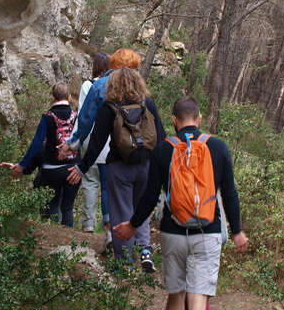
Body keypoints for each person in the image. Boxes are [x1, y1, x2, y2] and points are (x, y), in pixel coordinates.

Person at [114, 97, 248, 310]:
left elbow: (150, 197)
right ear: (199, 119)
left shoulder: (163, 150)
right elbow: (230, 194)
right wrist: (237, 231)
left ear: (174, 121)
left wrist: (132, 226)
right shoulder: (218, 147)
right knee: (198, 296)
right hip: (208, 231)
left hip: (173, 232)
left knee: (176, 294)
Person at [67, 68, 166, 270]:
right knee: (143, 209)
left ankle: (124, 262)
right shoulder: (148, 104)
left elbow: (96, 142)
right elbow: (161, 137)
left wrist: (82, 167)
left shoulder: (109, 107)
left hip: (119, 166)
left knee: (121, 213)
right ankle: (145, 250)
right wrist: (162, 169)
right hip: (146, 166)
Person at [3, 83, 81, 227]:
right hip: (73, 168)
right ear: (69, 97)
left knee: (51, 205)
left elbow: (36, 144)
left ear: (53, 97)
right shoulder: (77, 116)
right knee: (67, 207)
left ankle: (53, 239)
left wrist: (21, 165)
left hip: (51, 169)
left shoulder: (47, 117)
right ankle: (70, 246)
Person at [76, 53, 112, 249]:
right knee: (107, 185)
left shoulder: (87, 85)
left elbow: (83, 114)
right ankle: (108, 226)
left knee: (90, 181)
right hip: (108, 140)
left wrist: (75, 140)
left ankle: (88, 224)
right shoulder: (113, 86)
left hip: (90, 137)